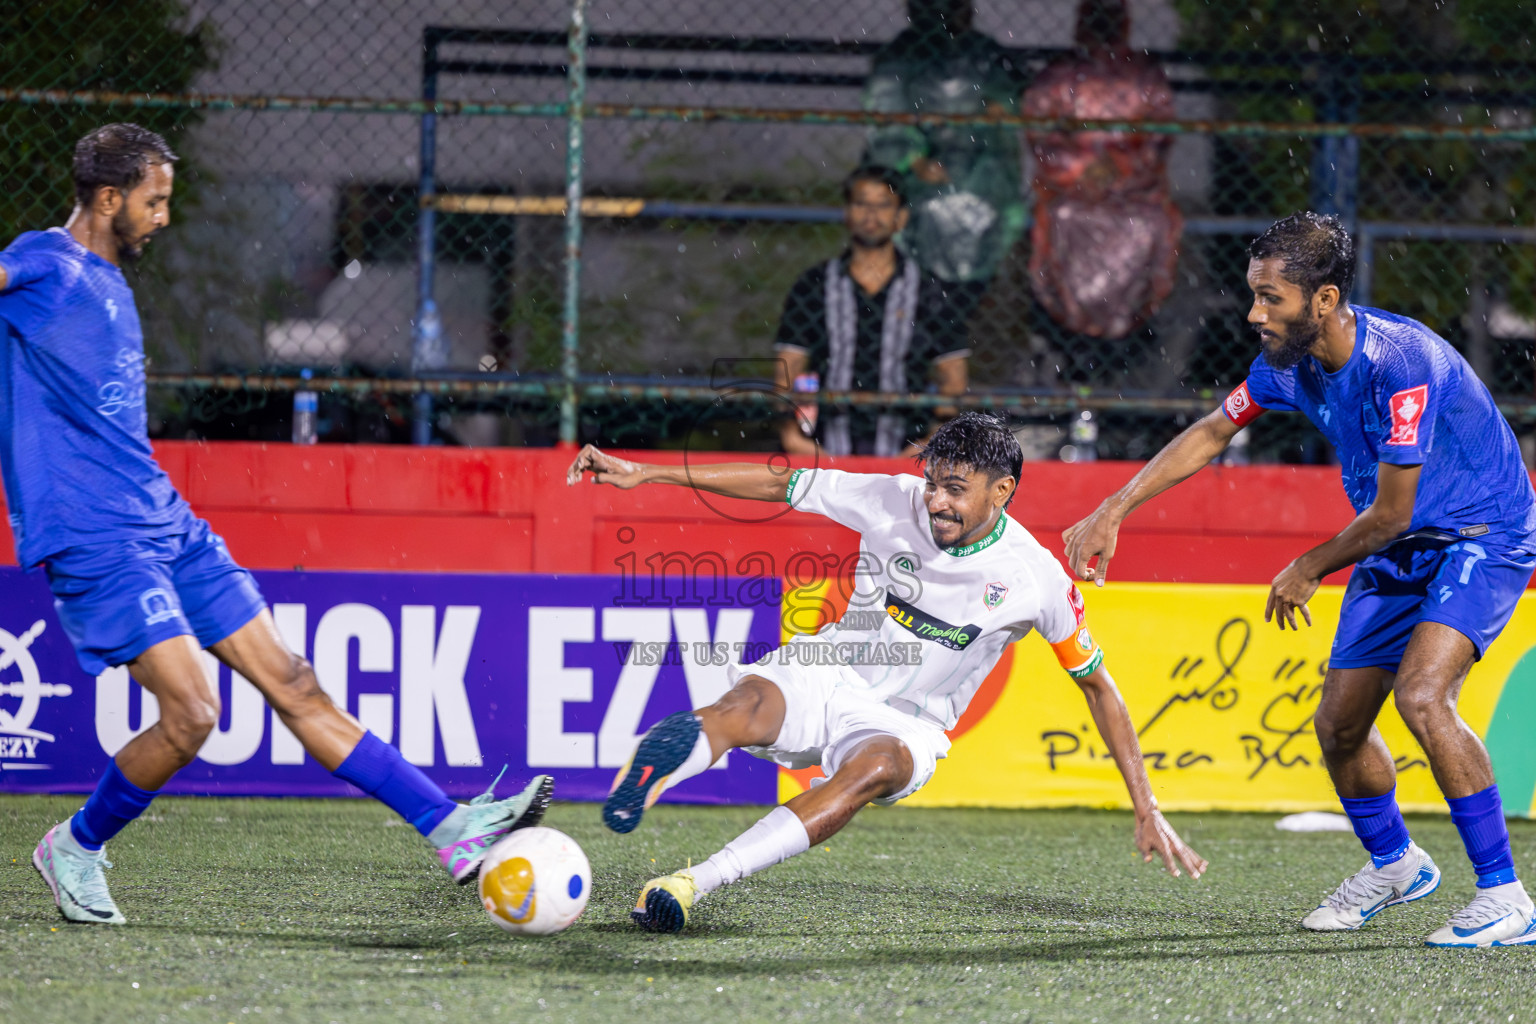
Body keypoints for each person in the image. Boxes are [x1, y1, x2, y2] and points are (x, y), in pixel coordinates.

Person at [0, 124, 552, 926]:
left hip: (166, 522)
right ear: (109, 198)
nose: (163, 216)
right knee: (193, 714)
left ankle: (451, 829)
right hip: (95, 537)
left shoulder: (110, 278)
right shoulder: (46, 263)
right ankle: (76, 846)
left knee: (294, 681)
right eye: (153, 202)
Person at [1063, 212, 1536, 948]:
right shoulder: (1285, 364)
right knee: (1339, 726)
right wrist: (1115, 505)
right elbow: (1215, 431)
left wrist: (1308, 564)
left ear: (1324, 300)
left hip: (1482, 534)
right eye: (1254, 294)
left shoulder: (1400, 364)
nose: (1254, 313)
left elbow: (1391, 511)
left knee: (1421, 695)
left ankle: (1506, 898)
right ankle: (1397, 865)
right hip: (1399, 542)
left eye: (1271, 298)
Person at [566, 412, 1206, 933]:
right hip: (830, 668)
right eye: (931, 482)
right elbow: (777, 483)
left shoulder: (1035, 577)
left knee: (873, 768)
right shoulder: (890, 498)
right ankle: (661, 766)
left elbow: (1097, 683)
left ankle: (691, 883)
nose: (934, 500)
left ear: (1001, 491)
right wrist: (646, 472)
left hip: (910, 725)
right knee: (745, 707)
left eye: (954, 488)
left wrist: (1145, 805)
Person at [1021, 0, 1181, 365]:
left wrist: (1121, 167)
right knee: (1062, 217)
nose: (1102, 28)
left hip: (1132, 189)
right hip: (1071, 188)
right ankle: (1073, 325)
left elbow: (1161, 130)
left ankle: (1126, 324)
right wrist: (1082, 167)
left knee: (1151, 223)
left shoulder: (1143, 74)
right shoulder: (1060, 74)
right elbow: (1039, 129)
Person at [774, 166, 970, 456]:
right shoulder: (814, 285)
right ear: (847, 212)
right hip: (825, 448)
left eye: (883, 205)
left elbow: (953, 379)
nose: (871, 214)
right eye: (861, 203)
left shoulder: (929, 290)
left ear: (901, 218)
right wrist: (793, 436)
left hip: (907, 450)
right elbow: (787, 369)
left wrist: (930, 443)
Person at [862, 0, 1026, 332]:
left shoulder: (985, 52)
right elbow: (887, 115)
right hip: (923, 177)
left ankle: (961, 309)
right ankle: (930, 313)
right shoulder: (900, 57)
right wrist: (913, 158)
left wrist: (1001, 106)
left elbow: (1013, 92)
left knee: (987, 210)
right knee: (929, 211)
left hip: (982, 167)